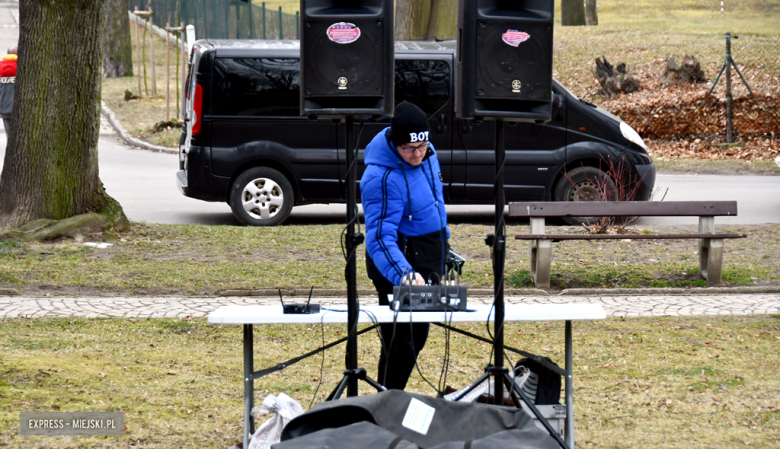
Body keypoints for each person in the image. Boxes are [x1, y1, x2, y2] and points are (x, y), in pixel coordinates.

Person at [360, 101, 450, 390]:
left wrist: (444, 243)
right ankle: (386, 402)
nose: (417, 154)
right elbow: (378, 237)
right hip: (398, 262)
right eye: (409, 148)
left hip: (427, 256)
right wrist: (404, 273)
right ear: (394, 143)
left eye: (422, 146)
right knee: (403, 341)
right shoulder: (379, 177)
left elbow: (435, 203)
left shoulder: (429, 155)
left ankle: (387, 399)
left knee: (415, 338)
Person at [0, 46, 17, 136]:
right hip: (19, 108)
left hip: (4, 108)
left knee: (9, 135)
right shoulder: (22, 67)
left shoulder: (0, 67)